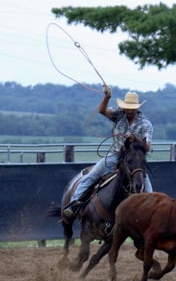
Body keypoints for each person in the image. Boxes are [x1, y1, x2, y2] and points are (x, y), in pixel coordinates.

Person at [62, 87, 153, 222]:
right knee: (93, 174)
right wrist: (107, 97)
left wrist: (135, 138)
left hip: (135, 159)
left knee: (147, 188)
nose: (129, 110)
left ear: (136, 108)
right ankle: (74, 204)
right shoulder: (118, 115)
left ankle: (151, 214)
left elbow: (147, 147)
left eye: (131, 108)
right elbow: (102, 110)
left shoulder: (145, 124)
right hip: (116, 155)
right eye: (127, 107)